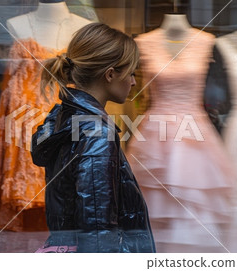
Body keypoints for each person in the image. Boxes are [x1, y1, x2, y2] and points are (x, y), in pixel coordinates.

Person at [31, 23, 156, 253]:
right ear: (110, 74)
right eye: (130, 72)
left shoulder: (63, 116)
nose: (133, 82)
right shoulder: (96, 134)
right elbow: (98, 230)